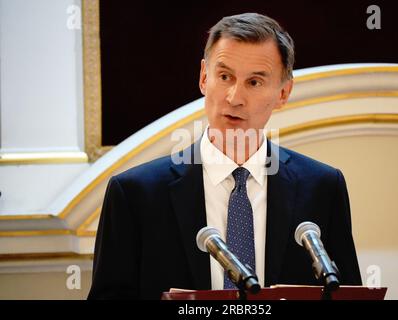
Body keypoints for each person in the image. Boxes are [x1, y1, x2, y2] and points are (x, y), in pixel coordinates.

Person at [88, 12, 362, 300]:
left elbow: (349, 294)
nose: (234, 97)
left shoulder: (322, 187)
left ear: (283, 93)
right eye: (224, 76)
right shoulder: (134, 195)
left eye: (254, 82)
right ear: (204, 77)